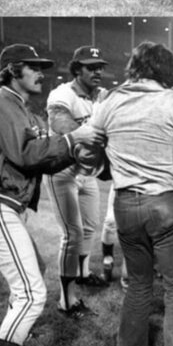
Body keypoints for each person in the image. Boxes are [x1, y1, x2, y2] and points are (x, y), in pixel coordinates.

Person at [0, 43, 105, 346]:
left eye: (42, 67)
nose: (42, 72)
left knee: (29, 285)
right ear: (12, 69)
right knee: (31, 294)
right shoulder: (0, 102)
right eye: (33, 66)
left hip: (3, 204)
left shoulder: (23, 109)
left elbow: (46, 159)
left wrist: (79, 147)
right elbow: (26, 155)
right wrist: (73, 138)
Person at [81, 42, 173, 346]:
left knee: (137, 285)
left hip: (124, 204)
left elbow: (89, 148)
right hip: (165, 202)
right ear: (166, 69)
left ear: (134, 66)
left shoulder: (112, 101)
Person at [46, 46, 111, 318]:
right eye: (90, 66)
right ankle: (66, 298)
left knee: (90, 228)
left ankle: (83, 274)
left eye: (100, 66)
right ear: (76, 69)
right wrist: (86, 142)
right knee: (71, 235)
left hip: (87, 172)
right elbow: (60, 121)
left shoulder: (102, 96)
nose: (97, 71)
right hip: (62, 170)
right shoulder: (63, 93)